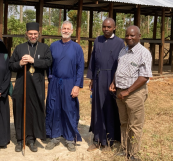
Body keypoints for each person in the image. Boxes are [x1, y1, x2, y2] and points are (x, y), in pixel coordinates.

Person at [109, 26, 152, 161]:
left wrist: (127, 91)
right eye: (127, 35)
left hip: (134, 94)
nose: (129, 38)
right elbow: (119, 69)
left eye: (132, 35)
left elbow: (144, 77)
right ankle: (124, 149)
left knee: (135, 125)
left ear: (139, 36)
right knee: (124, 122)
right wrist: (113, 83)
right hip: (120, 93)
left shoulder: (143, 53)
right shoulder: (123, 50)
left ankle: (133, 154)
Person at [9, 22, 52, 152]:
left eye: (35, 34)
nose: (33, 36)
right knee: (20, 111)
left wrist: (34, 61)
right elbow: (11, 65)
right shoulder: (20, 48)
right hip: (22, 85)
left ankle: (31, 139)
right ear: (26, 34)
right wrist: (20, 63)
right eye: (30, 34)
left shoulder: (44, 48)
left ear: (38, 34)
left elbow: (49, 62)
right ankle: (20, 139)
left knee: (34, 112)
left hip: (37, 85)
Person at [45, 21, 84, 152]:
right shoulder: (53, 46)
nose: (66, 30)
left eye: (68, 29)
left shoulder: (77, 48)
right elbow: (49, 64)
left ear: (72, 31)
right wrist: (50, 78)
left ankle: (69, 138)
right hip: (55, 82)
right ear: (60, 29)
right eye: (64, 28)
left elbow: (80, 68)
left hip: (69, 82)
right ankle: (54, 136)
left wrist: (77, 85)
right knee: (54, 108)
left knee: (69, 110)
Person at [87, 18, 125, 151]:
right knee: (97, 109)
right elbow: (93, 59)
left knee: (110, 109)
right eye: (104, 27)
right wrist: (91, 78)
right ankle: (97, 139)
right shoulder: (98, 40)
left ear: (114, 27)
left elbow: (121, 63)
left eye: (109, 27)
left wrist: (115, 81)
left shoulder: (120, 43)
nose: (106, 29)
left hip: (111, 80)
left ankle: (110, 140)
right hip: (98, 79)